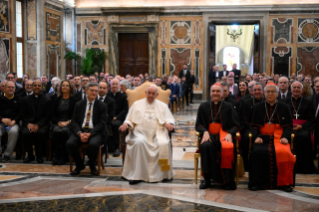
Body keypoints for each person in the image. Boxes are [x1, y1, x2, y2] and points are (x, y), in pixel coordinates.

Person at [119, 85, 175, 184]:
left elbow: (168, 118)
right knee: (139, 143)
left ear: (157, 95)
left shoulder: (163, 106)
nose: (150, 95)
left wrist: (169, 123)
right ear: (146, 92)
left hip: (157, 133)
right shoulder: (136, 104)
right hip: (140, 133)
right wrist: (126, 124)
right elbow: (129, 118)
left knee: (163, 144)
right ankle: (137, 176)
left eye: (153, 94)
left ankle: (164, 174)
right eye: (149, 93)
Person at [249, 83, 295, 192]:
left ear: (277, 93)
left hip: (279, 138)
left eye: (273, 92)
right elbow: (252, 126)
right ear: (264, 93)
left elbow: (289, 126)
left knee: (285, 153)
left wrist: (285, 137)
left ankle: (284, 183)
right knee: (256, 153)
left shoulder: (285, 107)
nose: (270, 94)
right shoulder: (257, 107)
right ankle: (256, 183)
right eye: (267, 92)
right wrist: (256, 136)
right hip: (262, 137)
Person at [195, 83, 240, 190]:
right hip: (209, 135)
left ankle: (228, 180)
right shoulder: (203, 106)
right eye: (213, 91)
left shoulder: (228, 107)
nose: (215, 93)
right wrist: (204, 131)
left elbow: (236, 124)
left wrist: (230, 133)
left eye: (218, 91)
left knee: (227, 147)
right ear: (210, 93)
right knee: (206, 146)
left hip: (224, 134)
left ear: (222, 93)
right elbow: (198, 124)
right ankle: (207, 180)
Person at [66, 82, 108, 176]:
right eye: (92, 90)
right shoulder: (79, 104)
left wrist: (90, 134)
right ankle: (79, 165)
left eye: (96, 91)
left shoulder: (102, 105)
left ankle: (92, 165)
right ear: (86, 91)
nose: (94, 93)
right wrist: (79, 133)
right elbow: (74, 121)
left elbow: (102, 123)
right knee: (70, 144)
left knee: (93, 144)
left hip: (95, 132)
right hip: (81, 131)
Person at [282, 81, 315, 174]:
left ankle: (303, 167)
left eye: (298, 88)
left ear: (302, 90)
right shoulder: (284, 102)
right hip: (288, 127)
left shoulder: (308, 102)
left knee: (304, 137)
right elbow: (280, 117)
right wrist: (288, 126)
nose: (296, 89)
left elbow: (312, 119)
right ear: (291, 89)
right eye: (294, 87)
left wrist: (301, 126)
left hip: (303, 128)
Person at [21, 79, 51, 164]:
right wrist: (28, 124)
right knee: (26, 133)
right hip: (29, 124)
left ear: (42, 87)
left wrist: (38, 125)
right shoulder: (26, 100)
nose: (37, 87)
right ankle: (30, 156)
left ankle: (39, 156)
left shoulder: (47, 100)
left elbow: (47, 116)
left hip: (42, 124)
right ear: (32, 87)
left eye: (39, 86)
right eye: (35, 85)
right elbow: (23, 114)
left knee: (40, 133)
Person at [238, 82, 264, 170]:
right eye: (255, 90)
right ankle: (246, 166)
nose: (257, 92)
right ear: (251, 92)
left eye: (259, 90)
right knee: (245, 138)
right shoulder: (246, 102)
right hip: (249, 127)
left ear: (263, 91)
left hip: (263, 128)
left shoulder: (266, 102)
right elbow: (243, 118)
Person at [51, 80, 78, 165]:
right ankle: (56, 155)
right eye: (63, 85)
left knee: (63, 132)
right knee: (56, 131)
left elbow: (76, 115)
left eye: (67, 86)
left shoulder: (74, 100)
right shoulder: (56, 100)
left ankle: (64, 156)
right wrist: (58, 122)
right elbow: (52, 114)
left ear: (70, 88)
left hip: (69, 123)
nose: (65, 87)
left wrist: (67, 122)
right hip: (57, 122)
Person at [0, 81, 21, 162]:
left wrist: (14, 121)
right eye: (9, 87)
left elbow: (21, 113)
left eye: (12, 87)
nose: (11, 89)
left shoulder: (19, 99)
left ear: (15, 89)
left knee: (14, 132)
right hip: (1, 122)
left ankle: (7, 154)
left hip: (13, 123)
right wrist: (1, 119)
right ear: (4, 88)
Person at [107, 79, 129, 156]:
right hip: (108, 117)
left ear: (119, 86)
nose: (115, 86)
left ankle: (116, 148)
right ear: (110, 86)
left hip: (119, 118)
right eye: (113, 84)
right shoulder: (107, 96)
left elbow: (125, 110)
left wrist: (116, 117)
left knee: (115, 125)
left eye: (116, 84)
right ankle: (104, 147)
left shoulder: (123, 96)